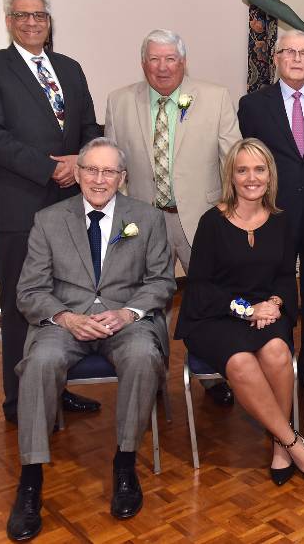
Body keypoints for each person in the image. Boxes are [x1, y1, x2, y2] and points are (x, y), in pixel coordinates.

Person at [7, 138, 176, 540]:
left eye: (109, 172)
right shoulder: (49, 220)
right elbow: (29, 291)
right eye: (91, 170)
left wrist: (126, 313)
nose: (99, 179)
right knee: (39, 362)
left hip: (126, 321)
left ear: (122, 177)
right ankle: (30, 481)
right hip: (66, 323)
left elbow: (161, 282)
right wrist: (67, 318)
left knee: (142, 356)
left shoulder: (147, 218)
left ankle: (124, 464)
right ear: (78, 173)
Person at [0, 0, 103, 423]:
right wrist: (49, 168)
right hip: (18, 208)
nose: (31, 22)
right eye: (22, 15)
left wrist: (80, 160)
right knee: (21, 305)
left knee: (67, 300)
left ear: (48, 21)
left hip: (71, 206)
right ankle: (20, 402)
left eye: (39, 15)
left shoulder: (70, 68)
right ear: (9, 21)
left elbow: (89, 126)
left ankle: (58, 388)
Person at [175, 138, 304, 488]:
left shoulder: (282, 221)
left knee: (277, 352)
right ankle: (291, 442)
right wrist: (246, 310)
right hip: (216, 316)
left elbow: (286, 275)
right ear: (231, 176)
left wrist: (274, 303)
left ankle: (279, 444)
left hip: (267, 310)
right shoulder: (212, 222)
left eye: (259, 169)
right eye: (242, 170)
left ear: (270, 175)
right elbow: (200, 287)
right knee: (242, 362)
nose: (251, 178)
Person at [105, 28, 241, 406]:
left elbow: (233, 161)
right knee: (149, 304)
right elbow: (112, 168)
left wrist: (231, 215)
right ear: (143, 63)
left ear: (183, 62)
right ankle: (152, 376)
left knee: (211, 298)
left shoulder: (215, 97)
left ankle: (213, 374)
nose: (162, 67)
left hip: (203, 218)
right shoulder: (119, 102)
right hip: (145, 221)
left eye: (170, 59)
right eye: (154, 59)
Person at [238, 29, 304, 401]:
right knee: (274, 285)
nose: (297, 59)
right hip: (273, 213)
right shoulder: (253, 105)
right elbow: (249, 161)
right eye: (289, 52)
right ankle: (276, 357)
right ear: (277, 58)